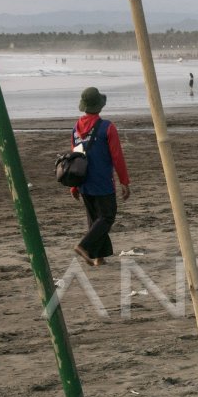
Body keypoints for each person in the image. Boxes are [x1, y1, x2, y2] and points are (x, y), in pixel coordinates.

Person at [70, 87, 130, 267]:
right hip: (102, 181)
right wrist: (124, 181)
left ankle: (98, 257)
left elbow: (76, 157)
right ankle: (84, 246)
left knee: (94, 218)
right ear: (99, 106)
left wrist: (74, 186)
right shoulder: (107, 127)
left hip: (83, 181)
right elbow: (117, 156)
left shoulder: (75, 129)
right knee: (107, 216)